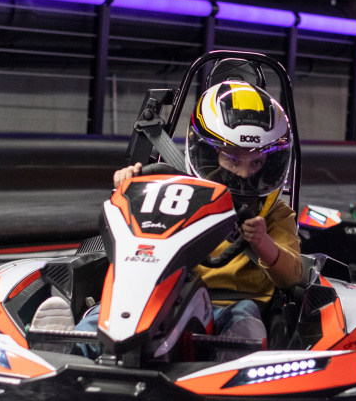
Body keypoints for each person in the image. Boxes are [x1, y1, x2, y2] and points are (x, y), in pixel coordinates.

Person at [101, 80, 301, 343]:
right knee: (110, 308)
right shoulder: (175, 193)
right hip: (171, 294)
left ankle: (232, 360)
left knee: (245, 318)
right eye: (233, 158)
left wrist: (262, 241)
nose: (244, 173)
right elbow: (140, 236)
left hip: (232, 304)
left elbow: (292, 276)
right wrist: (130, 186)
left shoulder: (274, 213)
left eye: (256, 162)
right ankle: (79, 339)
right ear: (207, 153)